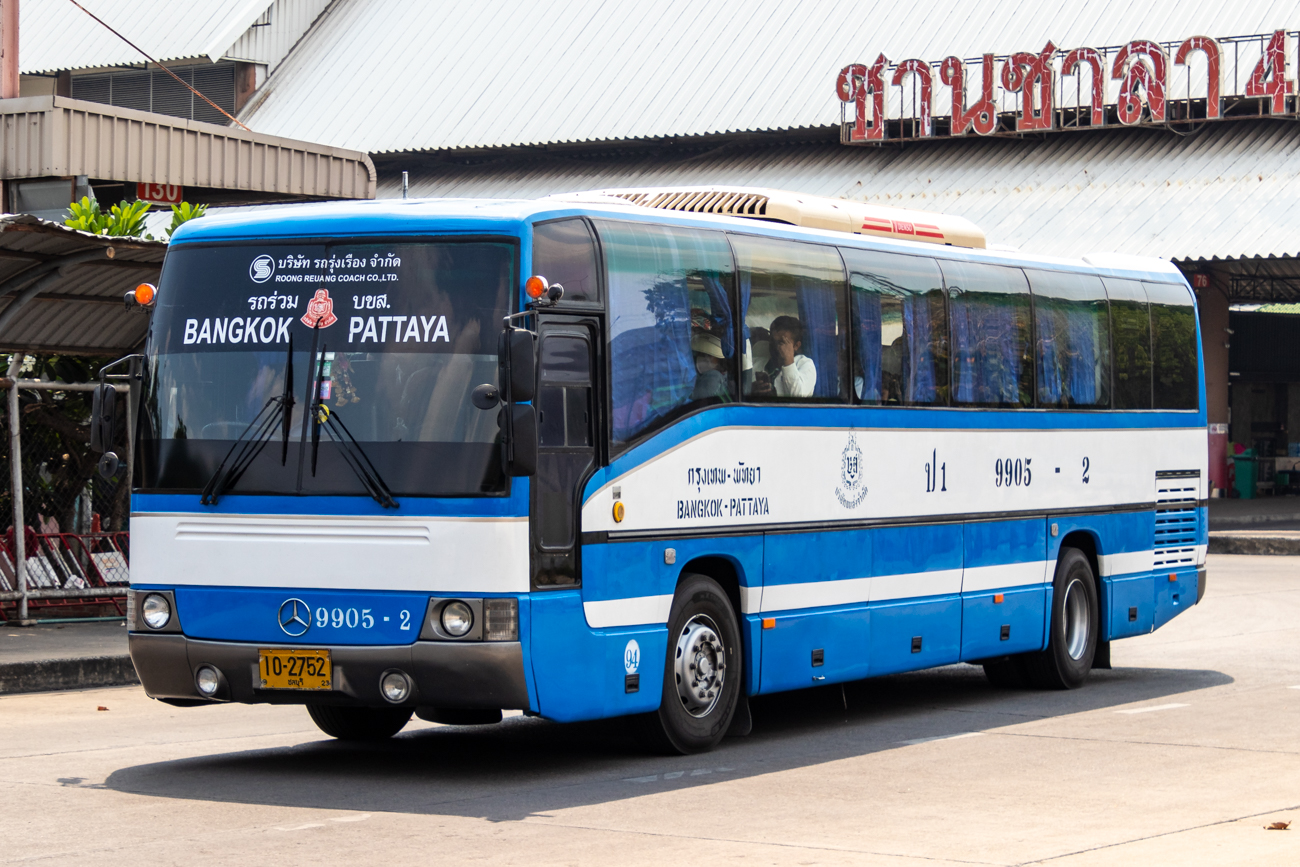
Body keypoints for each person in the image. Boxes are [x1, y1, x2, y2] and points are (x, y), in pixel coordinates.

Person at [768, 315, 816, 398]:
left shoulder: (806, 365)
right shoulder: (759, 362)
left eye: (782, 342)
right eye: (773, 341)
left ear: (796, 345)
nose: (776, 347)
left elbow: (797, 397)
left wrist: (788, 361)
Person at [691, 331, 730, 400]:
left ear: (718, 359)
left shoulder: (714, 377)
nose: (705, 359)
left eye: (709, 356)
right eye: (701, 354)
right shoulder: (695, 373)